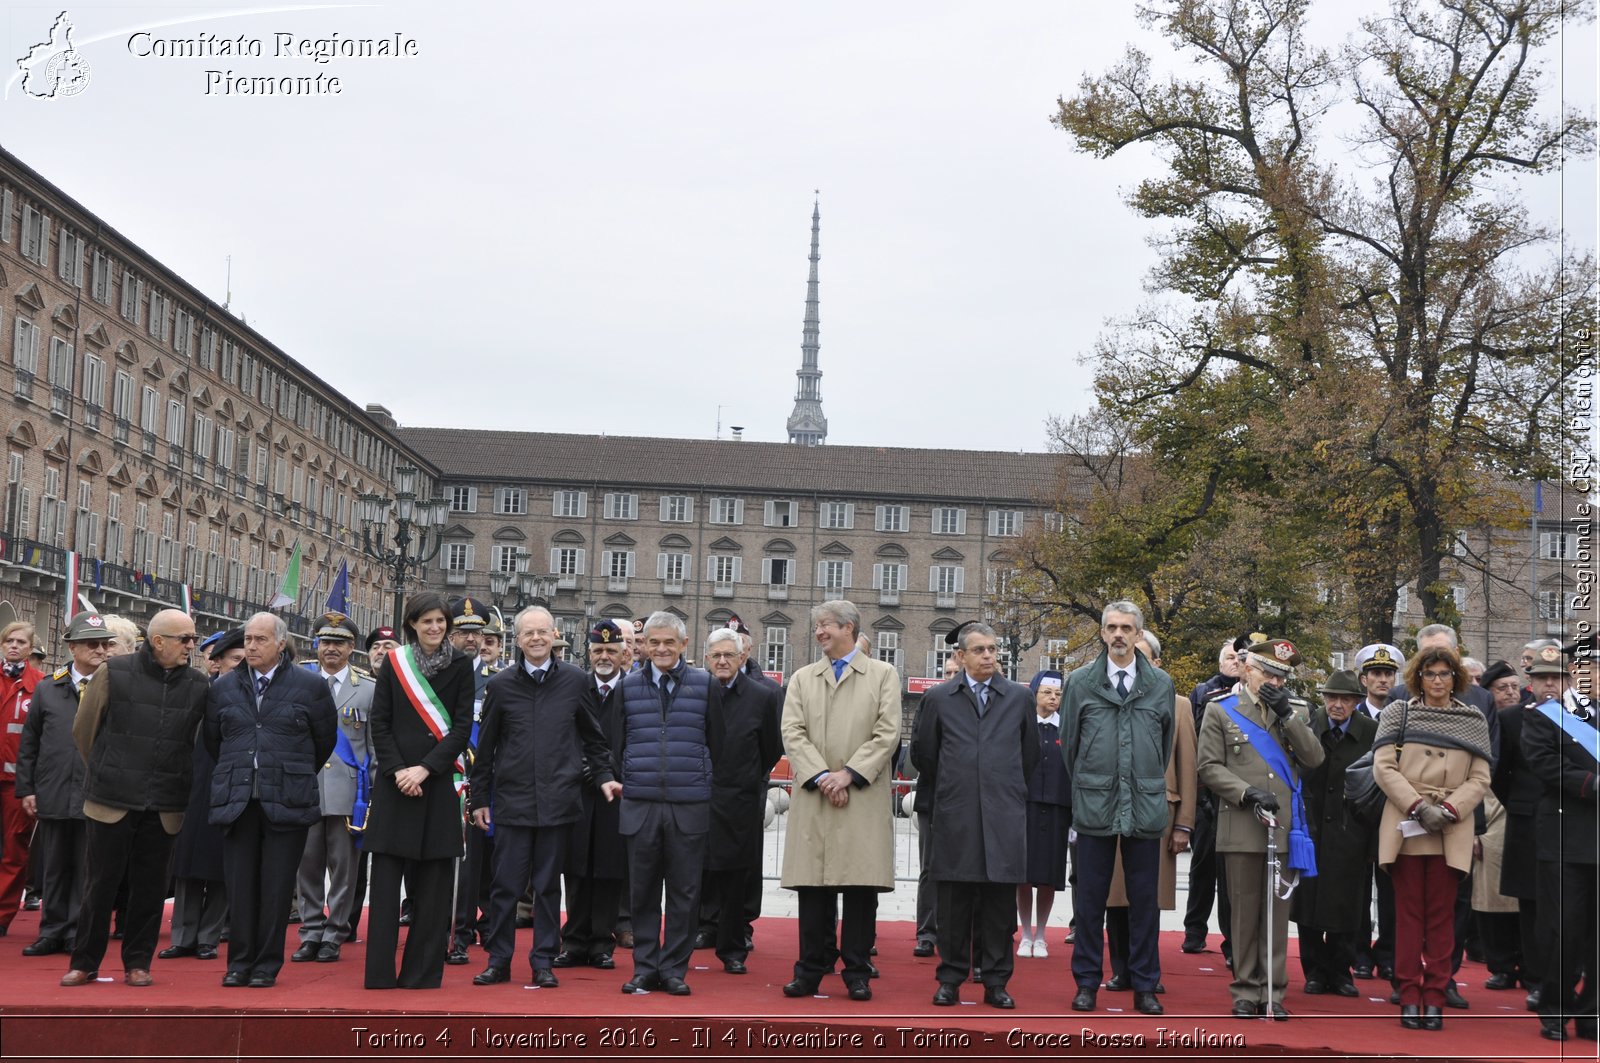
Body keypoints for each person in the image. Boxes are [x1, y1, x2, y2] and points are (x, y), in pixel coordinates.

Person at [62, 609, 209, 987]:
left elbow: (198, 741)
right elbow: (84, 731)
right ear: (158, 641)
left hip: (165, 804)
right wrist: (108, 771)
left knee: (150, 888)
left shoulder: (198, 684)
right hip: (110, 800)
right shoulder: (115, 672)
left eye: (193, 639)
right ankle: (84, 962)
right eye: (185, 639)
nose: (192, 646)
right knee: (100, 885)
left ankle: (138, 963)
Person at [467, 605, 610, 989]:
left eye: (542, 632)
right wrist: (479, 798)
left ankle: (543, 960)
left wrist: (605, 776)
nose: (535, 639)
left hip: (559, 803)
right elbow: (487, 748)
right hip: (512, 803)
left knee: (548, 886)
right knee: (505, 887)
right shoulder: (500, 685)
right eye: (528, 633)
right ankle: (498, 960)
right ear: (517, 639)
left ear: (554, 636)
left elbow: (595, 739)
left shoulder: (577, 682)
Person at [204, 613, 337, 988]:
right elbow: (214, 741)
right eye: (247, 639)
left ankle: (265, 965)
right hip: (238, 799)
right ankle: (239, 963)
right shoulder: (223, 688)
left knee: (277, 888)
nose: (251, 646)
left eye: (260, 639)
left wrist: (287, 771)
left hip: (287, 800)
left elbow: (322, 742)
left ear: (281, 644)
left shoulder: (310, 687)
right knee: (241, 885)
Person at [1196, 637, 1324, 1020]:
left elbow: (1314, 757)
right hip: (1241, 825)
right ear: (1248, 669)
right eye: (1269, 673)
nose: (1276, 682)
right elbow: (1208, 766)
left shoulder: (1295, 710)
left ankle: (1274, 991)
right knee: (1244, 913)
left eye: (1282, 677)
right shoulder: (1222, 711)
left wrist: (1287, 716)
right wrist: (1246, 791)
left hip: (1283, 828)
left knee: (1276, 915)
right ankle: (1245, 990)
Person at [779, 600, 900, 1002]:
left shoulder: (883, 675)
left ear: (849, 627)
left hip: (860, 797)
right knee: (814, 891)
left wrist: (848, 774)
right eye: (816, 626)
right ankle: (810, 970)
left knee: (861, 892)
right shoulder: (801, 678)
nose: (819, 632)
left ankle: (857, 972)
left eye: (826, 625)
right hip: (816, 797)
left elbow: (887, 733)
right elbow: (792, 732)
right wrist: (821, 776)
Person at [912, 621, 1037, 1009]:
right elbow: (924, 755)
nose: (988, 656)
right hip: (956, 814)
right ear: (960, 656)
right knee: (954, 905)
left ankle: (996, 981)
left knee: (1000, 909)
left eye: (992, 649)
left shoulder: (1018, 698)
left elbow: (1029, 755)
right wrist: (959, 783)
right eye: (979, 650)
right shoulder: (940, 699)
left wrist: (1002, 787)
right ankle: (950, 977)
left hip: (1002, 816)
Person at [1061, 601, 1174, 1018]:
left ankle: (1145, 985)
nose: (1119, 634)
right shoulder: (1080, 683)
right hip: (1094, 805)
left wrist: (1140, 781)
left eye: (1127, 627)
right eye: (1112, 627)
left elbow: (1163, 746)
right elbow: (1070, 748)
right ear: (1103, 633)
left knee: (1144, 902)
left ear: (1138, 633)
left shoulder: (1160, 683)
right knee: (1089, 901)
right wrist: (1096, 782)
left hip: (1143, 807)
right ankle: (1086, 984)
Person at [1373, 645, 1491, 1032]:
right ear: (1417, 678)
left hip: (1451, 827)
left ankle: (1436, 995)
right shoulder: (1398, 711)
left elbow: (1480, 779)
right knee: (1407, 916)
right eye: (1430, 674)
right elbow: (1384, 767)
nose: (1437, 681)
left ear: (1455, 678)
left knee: (1442, 918)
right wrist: (1418, 806)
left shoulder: (1473, 719)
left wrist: (1451, 810)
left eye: (1444, 674)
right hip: (1408, 824)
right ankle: (1409, 994)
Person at [362, 592, 475, 990]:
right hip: (396, 786)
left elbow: (461, 728)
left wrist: (425, 769)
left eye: (441, 622)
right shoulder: (396, 663)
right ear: (412, 624)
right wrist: (398, 771)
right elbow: (380, 721)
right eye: (426, 621)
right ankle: (379, 974)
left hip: (438, 782)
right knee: (388, 884)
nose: (434, 628)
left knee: (433, 888)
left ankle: (422, 973)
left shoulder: (461, 665)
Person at [605, 611, 713, 997]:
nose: (662, 649)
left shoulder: (705, 684)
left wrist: (703, 781)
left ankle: (674, 970)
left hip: (689, 805)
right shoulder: (628, 687)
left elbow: (718, 742)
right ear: (644, 647)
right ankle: (645, 968)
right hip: (641, 804)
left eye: (670, 642)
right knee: (643, 892)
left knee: (685, 894)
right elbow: (615, 742)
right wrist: (627, 779)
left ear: (684, 645)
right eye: (655, 643)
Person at [1102, 629, 1196, 993]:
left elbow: (1188, 768)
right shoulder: (1105, 696)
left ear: (1156, 663)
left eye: (1143, 657)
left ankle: (1147, 972)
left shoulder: (1179, 704)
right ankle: (1121, 969)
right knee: (1115, 898)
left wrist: (1184, 824)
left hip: (1158, 816)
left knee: (1147, 900)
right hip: (1110, 814)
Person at [14, 613, 112, 955]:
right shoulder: (48, 688)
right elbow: (30, 743)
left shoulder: (114, 687)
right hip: (53, 790)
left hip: (95, 794)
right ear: (72, 647)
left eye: (105, 644)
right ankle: (51, 930)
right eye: (92, 644)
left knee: (88, 869)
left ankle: (76, 932)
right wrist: (26, 789)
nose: (101, 650)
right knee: (53, 867)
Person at [1522, 642, 1597, 1042]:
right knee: (1562, 931)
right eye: (1591, 669)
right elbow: (1544, 763)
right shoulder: (1548, 717)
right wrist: (1593, 784)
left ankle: (1592, 1014)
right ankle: (1555, 1009)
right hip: (1565, 837)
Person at [291, 612, 373, 965]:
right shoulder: (298, 682)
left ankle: (335, 931)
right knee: (306, 866)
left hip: (347, 793)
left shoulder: (369, 688)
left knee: (344, 868)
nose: (331, 649)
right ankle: (310, 930)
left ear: (352, 648)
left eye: (338, 643)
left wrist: (370, 795)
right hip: (304, 790)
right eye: (325, 642)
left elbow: (373, 748)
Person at [1291, 668, 1377, 997]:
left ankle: (1342, 971)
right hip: (1310, 826)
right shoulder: (1308, 724)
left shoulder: (1370, 731)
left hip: (1352, 828)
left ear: (1357, 702)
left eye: (1345, 699)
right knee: (1308, 902)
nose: (1336, 705)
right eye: (1331, 698)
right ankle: (1313, 970)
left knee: (1349, 905)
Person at [701, 627, 782, 975]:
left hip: (740, 799)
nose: (722, 661)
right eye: (716, 655)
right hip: (697, 797)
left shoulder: (762, 697)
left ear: (742, 658)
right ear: (706, 659)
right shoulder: (695, 692)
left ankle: (733, 946)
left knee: (737, 877)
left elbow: (771, 748)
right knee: (695, 873)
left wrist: (747, 778)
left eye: (728, 655)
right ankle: (700, 929)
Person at [164, 627, 244, 963]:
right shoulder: (198, 693)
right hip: (193, 786)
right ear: (217, 664)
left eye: (244, 660)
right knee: (187, 864)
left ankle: (210, 936)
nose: (241, 666)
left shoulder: (252, 698)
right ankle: (183, 935)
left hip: (232, 788)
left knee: (222, 867)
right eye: (235, 660)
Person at [555, 620, 630, 970]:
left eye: (611, 651)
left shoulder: (632, 691)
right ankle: (573, 941)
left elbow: (637, 741)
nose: (604, 656)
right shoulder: (574, 687)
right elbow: (563, 734)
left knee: (609, 870)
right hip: (578, 792)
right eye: (598, 650)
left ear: (623, 654)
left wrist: (608, 770)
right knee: (577, 868)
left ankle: (602, 942)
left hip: (617, 793)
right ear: (588, 652)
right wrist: (583, 765)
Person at [1181, 637, 1247, 954]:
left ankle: (1232, 940)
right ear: (1220, 663)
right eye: (1230, 657)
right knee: (1203, 864)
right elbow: (1193, 740)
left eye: (1240, 657)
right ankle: (1194, 930)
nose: (1235, 662)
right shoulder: (1203, 692)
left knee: (1231, 871)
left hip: (1240, 793)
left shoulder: (1252, 693)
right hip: (1206, 792)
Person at [1481, 659, 1535, 997]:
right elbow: (1491, 774)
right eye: (1502, 688)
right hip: (1491, 813)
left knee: (1524, 899)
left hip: (1521, 816)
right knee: (1491, 898)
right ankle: (1500, 964)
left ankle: (1530, 966)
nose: (1511, 693)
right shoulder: (1490, 721)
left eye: (1515, 686)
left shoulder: (1526, 717)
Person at [1018, 670, 1069, 959]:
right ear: (1035, 694)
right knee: (1024, 875)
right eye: (1047, 692)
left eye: (1058, 694)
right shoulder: (1026, 727)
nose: (1053, 698)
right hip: (1026, 806)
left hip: (1057, 809)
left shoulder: (1067, 729)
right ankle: (1025, 933)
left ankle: (1042, 934)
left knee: (1049, 876)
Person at [0, 621, 44, 937]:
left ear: (30, 648)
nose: (14, 646)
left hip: (17, 784)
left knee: (15, 849)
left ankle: (2, 915)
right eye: (9, 641)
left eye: (20, 642)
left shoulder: (41, 685)